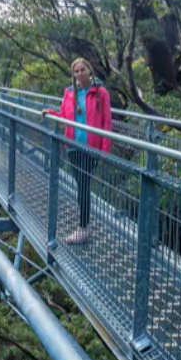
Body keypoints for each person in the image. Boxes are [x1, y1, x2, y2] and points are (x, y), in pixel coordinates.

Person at [45, 58, 111, 243]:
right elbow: (64, 116)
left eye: (82, 70)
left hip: (91, 148)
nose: (79, 74)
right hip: (73, 146)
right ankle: (84, 225)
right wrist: (51, 113)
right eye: (76, 71)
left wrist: (104, 150)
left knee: (83, 185)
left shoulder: (101, 93)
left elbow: (107, 122)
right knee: (81, 184)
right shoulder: (69, 93)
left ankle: (83, 227)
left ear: (90, 71)